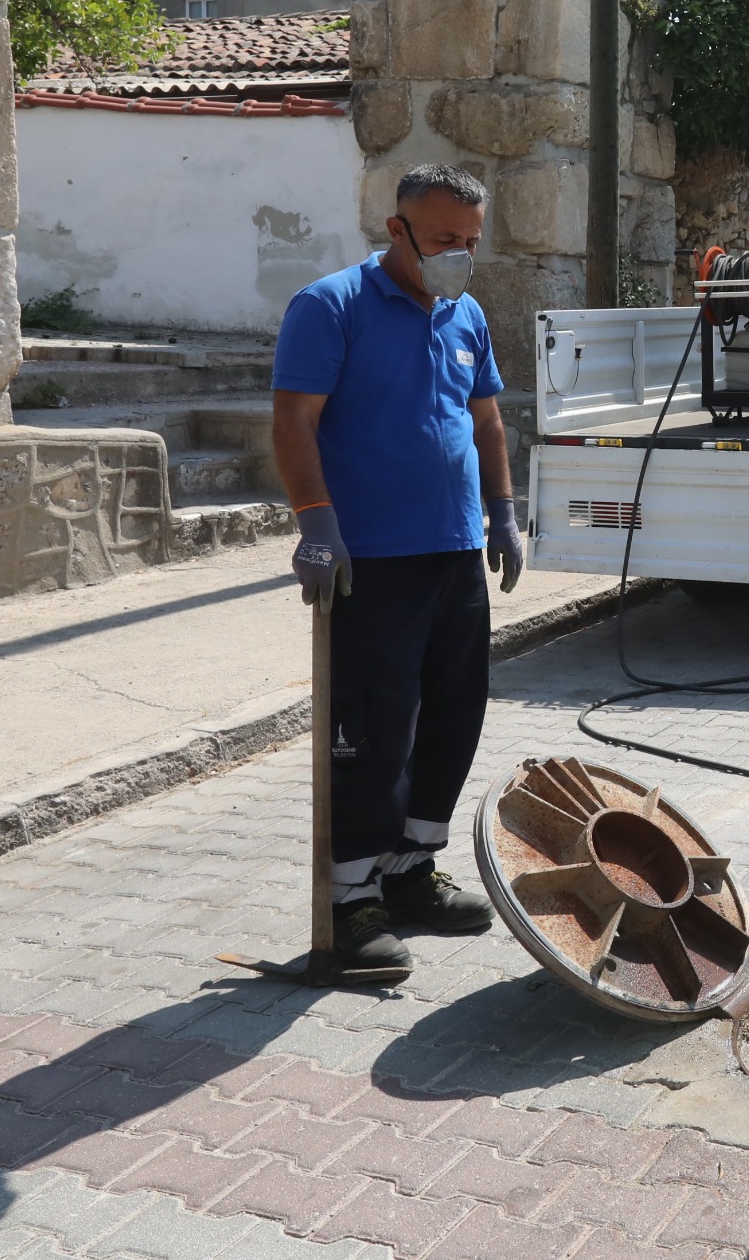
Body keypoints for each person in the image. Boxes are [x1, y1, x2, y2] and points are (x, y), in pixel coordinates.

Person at [270, 163, 526, 975]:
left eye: (472, 242)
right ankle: (349, 904)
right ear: (399, 231)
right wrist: (316, 524)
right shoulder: (330, 306)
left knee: (453, 715)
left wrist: (504, 512)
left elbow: (487, 424)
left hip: (452, 553)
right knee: (374, 731)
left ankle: (412, 873)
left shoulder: (465, 314)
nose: (461, 255)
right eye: (447, 240)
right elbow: (293, 422)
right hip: (369, 560)